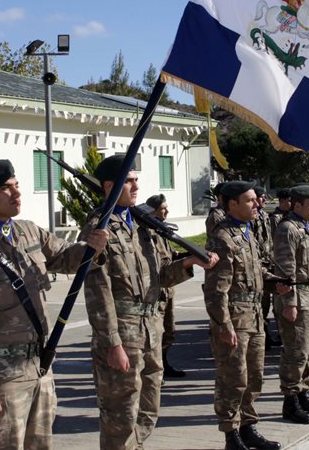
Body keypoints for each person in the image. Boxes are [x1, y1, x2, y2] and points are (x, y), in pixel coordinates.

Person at [0, 159, 107, 450]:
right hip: (1, 379)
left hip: (39, 368)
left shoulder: (29, 231)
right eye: (6, 188)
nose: (17, 193)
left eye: (16, 186)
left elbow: (65, 257)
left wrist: (92, 248)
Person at [83, 155, 216, 449]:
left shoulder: (145, 225)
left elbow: (162, 276)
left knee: (148, 406)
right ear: (109, 186)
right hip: (122, 330)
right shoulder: (99, 228)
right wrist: (112, 343)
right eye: (128, 181)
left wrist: (190, 262)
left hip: (150, 327)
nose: (136, 186)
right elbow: (97, 291)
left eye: (135, 179)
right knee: (120, 412)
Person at [204, 181, 281, 450]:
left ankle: (248, 427)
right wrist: (224, 325)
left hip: (255, 315)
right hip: (235, 319)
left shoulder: (247, 233)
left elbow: (254, 273)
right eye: (249, 200)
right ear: (232, 204)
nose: (257, 204)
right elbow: (216, 290)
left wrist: (275, 281)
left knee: (254, 377)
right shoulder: (222, 237)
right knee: (232, 378)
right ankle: (231, 433)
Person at [273, 184, 309, 425]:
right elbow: (286, 268)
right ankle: (291, 401)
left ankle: (303, 392)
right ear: (297, 205)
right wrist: (289, 302)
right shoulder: (288, 229)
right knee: (296, 352)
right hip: (297, 299)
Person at [139, 193, 185, 378]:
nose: (166, 211)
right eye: (162, 208)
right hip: (157, 291)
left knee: (169, 331)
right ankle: (154, 369)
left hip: (169, 289)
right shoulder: (147, 232)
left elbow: (166, 256)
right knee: (155, 333)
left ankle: (164, 364)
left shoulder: (161, 230)